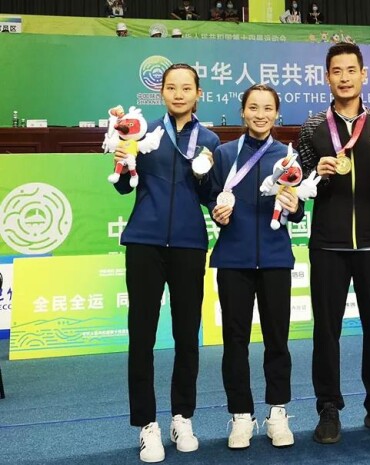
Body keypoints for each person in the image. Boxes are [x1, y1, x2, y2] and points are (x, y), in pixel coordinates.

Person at [297, 42, 370, 445]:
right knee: (326, 331)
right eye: (336, 71)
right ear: (327, 78)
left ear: (364, 75)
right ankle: (328, 407)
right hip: (329, 244)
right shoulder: (312, 127)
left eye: (350, 70)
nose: (344, 78)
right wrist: (317, 173)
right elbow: (299, 185)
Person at [111, 63, 221, 463]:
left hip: (190, 244)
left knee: (187, 335)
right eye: (171, 87)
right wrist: (123, 160)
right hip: (145, 241)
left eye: (186, 88)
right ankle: (147, 425)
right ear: (161, 93)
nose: (178, 94)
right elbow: (124, 187)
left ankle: (182, 417)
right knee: (141, 336)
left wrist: (210, 185)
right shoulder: (142, 132)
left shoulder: (209, 139)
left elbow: (210, 194)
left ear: (198, 93)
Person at [209, 84, 310, 450]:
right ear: (243, 111)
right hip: (233, 258)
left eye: (268, 108)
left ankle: (277, 412)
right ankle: (241, 415)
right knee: (234, 341)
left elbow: (297, 208)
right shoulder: (224, 154)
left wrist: (294, 207)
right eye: (254, 107)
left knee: (277, 340)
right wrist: (217, 213)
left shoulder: (288, 156)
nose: (260, 114)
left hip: (274, 258)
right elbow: (213, 199)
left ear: (277, 113)